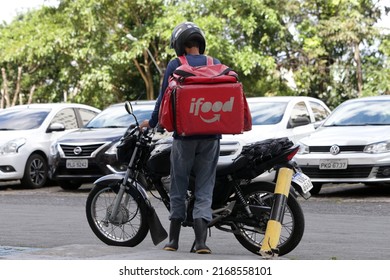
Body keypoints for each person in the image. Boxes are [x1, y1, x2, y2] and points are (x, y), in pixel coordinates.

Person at [139, 22, 221, 254]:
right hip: (211, 136)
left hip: (184, 136)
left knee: (179, 184)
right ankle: (202, 243)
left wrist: (152, 123)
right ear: (199, 42)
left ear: (179, 44)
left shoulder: (176, 64)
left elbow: (163, 98)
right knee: (205, 187)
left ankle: (173, 241)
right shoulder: (214, 63)